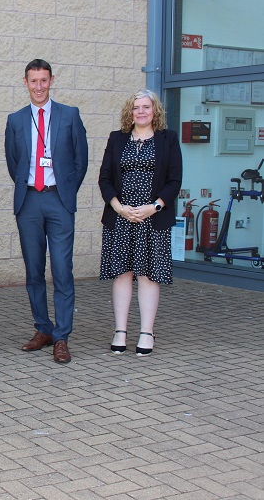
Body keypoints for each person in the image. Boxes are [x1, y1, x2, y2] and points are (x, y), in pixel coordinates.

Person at [5, 59, 89, 364]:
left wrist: (66, 190)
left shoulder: (69, 115)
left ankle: (62, 336)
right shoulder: (15, 120)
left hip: (59, 201)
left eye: (44, 80)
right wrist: (30, 186)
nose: (39, 86)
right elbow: (14, 162)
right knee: (33, 270)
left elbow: (81, 160)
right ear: (25, 82)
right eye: (33, 81)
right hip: (29, 201)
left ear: (51, 80)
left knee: (63, 270)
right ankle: (43, 329)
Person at [99, 90, 182, 356]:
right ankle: (120, 330)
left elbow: (174, 180)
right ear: (130, 112)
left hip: (153, 217)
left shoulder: (168, 139)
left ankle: (146, 332)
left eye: (146, 107)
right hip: (121, 216)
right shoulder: (117, 138)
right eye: (136, 107)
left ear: (155, 110)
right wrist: (119, 208)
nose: (141, 112)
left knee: (148, 275)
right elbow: (105, 178)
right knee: (122, 273)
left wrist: (154, 207)